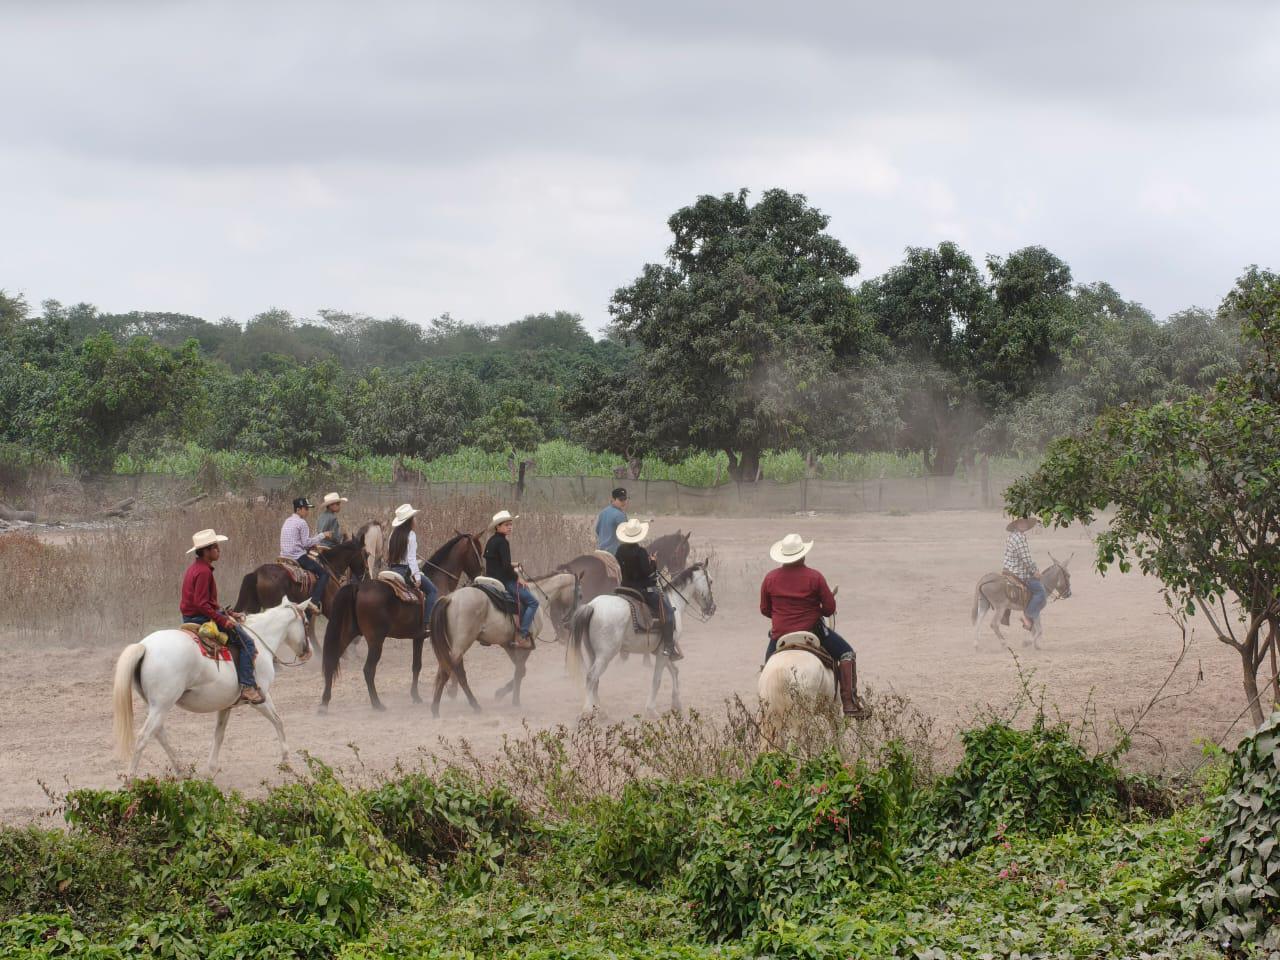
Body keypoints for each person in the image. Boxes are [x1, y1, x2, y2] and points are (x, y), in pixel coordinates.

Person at [759, 533, 867, 718]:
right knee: (847, 653)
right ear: (803, 554)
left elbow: (764, 609)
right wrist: (817, 608)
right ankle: (850, 703)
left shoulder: (770, 578)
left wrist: (781, 617)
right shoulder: (815, 577)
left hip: (780, 635)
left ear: (783, 556)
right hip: (813, 631)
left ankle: (765, 704)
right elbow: (829, 609)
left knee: (768, 666)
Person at [180, 528, 263, 705]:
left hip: (191, 615)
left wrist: (226, 612)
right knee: (248, 643)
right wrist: (223, 620)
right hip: (199, 618)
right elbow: (201, 604)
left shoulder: (196, 568)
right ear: (206, 551)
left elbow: (206, 602)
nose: (219, 550)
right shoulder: (204, 572)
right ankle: (247, 687)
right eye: (215, 547)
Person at [615, 518, 682, 660]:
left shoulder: (619, 551)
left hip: (624, 588)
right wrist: (653, 563)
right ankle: (668, 646)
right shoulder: (641, 552)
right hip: (642, 590)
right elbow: (649, 575)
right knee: (668, 611)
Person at [483, 510, 537, 649]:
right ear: (498, 526)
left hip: (490, 578)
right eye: (506, 525)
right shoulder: (503, 542)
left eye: (510, 524)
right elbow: (505, 567)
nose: (510, 527)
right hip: (503, 580)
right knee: (533, 602)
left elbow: (497, 562)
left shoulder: (491, 541)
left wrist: (514, 564)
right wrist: (518, 577)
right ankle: (522, 635)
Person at [386, 503, 438, 632]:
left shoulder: (393, 534)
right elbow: (411, 560)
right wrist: (417, 577)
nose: (415, 520)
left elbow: (390, 553)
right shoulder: (411, 535)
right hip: (405, 572)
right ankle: (427, 623)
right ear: (409, 520)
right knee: (432, 591)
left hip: (392, 570)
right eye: (414, 517)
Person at [280, 497, 331, 616]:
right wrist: (323, 535)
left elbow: (299, 541)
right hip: (297, 557)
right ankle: (314, 601)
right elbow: (306, 543)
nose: (308, 511)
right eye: (306, 509)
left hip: (284, 556)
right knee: (324, 574)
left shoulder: (287, 521)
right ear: (298, 510)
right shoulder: (302, 523)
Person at [1003, 517, 1046, 630]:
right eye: (1021, 522)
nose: (1024, 524)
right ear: (1016, 524)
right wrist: (1035, 571)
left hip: (1008, 569)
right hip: (1018, 572)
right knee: (1040, 592)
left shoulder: (1012, 536)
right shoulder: (1020, 538)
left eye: (1025, 522)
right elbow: (1026, 559)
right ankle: (1027, 615)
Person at [595, 488, 629, 554]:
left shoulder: (603, 512)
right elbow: (626, 536)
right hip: (615, 553)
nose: (623, 502)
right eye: (621, 499)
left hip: (601, 552)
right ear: (613, 500)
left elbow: (597, 530)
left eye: (625, 499)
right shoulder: (620, 515)